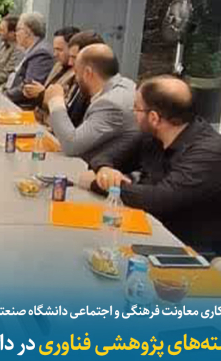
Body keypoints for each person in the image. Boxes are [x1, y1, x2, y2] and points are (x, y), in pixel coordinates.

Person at [83, 76, 221, 256]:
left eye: (136, 108)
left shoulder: (208, 152)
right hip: (144, 230)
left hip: (186, 252)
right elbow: (104, 157)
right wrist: (105, 170)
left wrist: (99, 184)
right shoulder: (153, 136)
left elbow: (158, 199)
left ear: (154, 118)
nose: (133, 113)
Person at [43, 44, 138, 167]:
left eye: (77, 73)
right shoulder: (125, 84)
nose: (76, 80)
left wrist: (55, 101)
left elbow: (72, 146)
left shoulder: (110, 104)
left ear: (88, 73)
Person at [22, 26, 80, 117]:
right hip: (38, 116)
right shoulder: (58, 65)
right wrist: (33, 92)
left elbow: (67, 108)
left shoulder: (79, 74)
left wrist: (42, 94)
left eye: (59, 50)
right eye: (54, 49)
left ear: (73, 50)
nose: (55, 54)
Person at [2, 12, 54, 107]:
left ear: (28, 32)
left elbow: (29, 87)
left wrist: (3, 96)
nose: (16, 34)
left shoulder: (41, 53)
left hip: (22, 106)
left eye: (18, 30)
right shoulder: (33, 49)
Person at [56, 30, 105, 128]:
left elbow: (78, 132)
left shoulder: (102, 96)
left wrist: (55, 101)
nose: (70, 63)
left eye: (74, 58)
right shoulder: (81, 81)